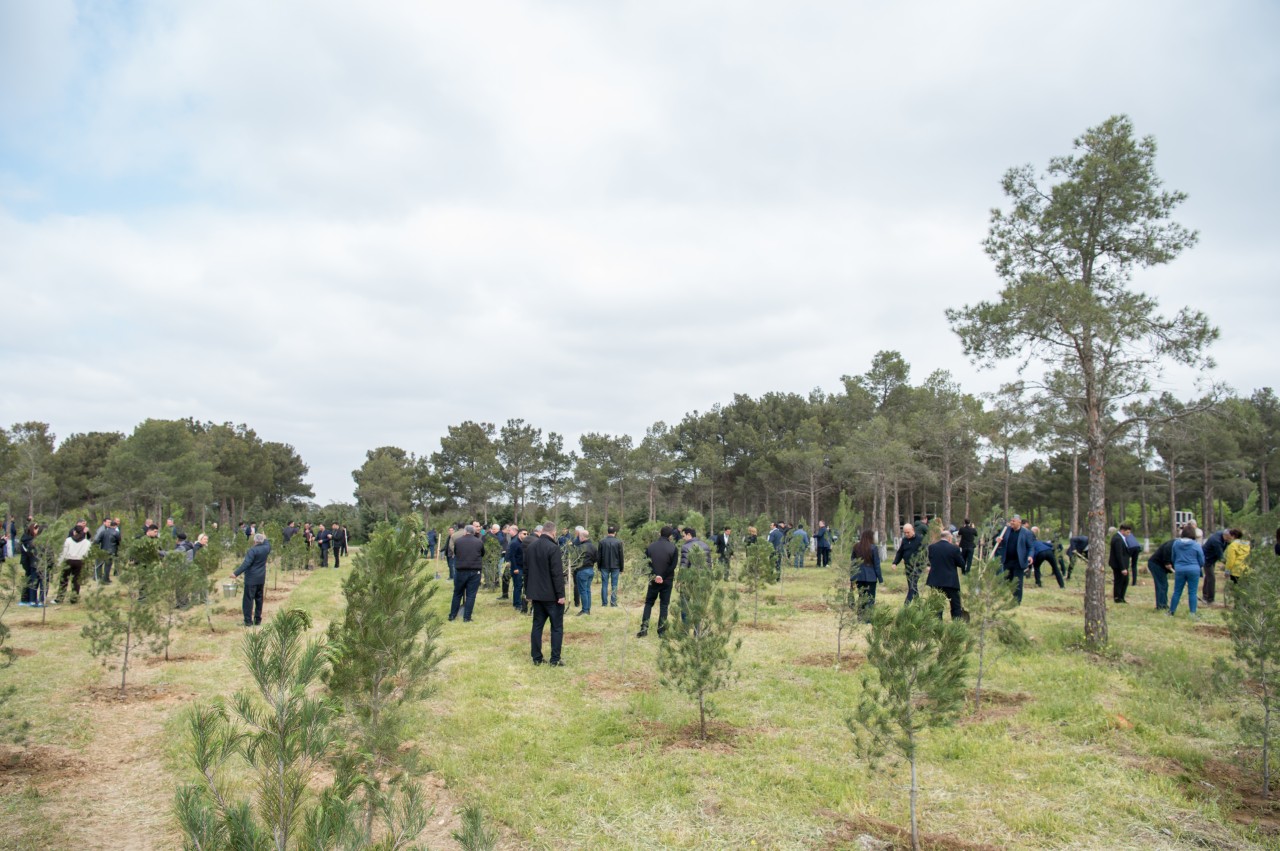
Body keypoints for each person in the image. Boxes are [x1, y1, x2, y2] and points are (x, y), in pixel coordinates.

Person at [525, 522, 566, 666]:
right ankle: (555, 659)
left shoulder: (531, 547)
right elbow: (557, 574)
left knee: (537, 626)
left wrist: (528, 592)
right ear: (554, 532)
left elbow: (527, 571)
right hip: (551, 596)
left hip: (536, 595)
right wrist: (561, 594)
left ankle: (536, 658)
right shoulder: (553, 548)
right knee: (556, 627)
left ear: (542, 531)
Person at [637, 526, 679, 637]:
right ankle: (661, 631)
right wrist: (662, 576)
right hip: (667, 581)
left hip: (653, 580)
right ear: (670, 536)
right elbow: (673, 566)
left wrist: (656, 575)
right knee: (664, 605)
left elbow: (646, 563)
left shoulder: (651, 547)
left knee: (649, 603)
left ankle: (644, 629)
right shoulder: (673, 548)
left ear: (660, 533)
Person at [925, 530, 967, 620]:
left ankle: (938, 625)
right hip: (950, 581)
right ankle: (956, 625)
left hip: (936, 581)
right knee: (955, 606)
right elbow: (962, 564)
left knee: (937, 606)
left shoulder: (932, 547)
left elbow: (931, 561)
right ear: (949, 538)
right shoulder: (954, 548)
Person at [231, 533, 271, 627]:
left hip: (251, 579)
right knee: (259, 599)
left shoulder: (252, 550)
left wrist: (235, 573)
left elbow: (246, 564)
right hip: (261, 578)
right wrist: (265, 538)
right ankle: (257, 620)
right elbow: (267, 543)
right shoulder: (266, 548)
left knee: (248, 600)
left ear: (255, 541)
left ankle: (248, 621)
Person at [993, 515, 1033, 604]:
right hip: (1007, 560)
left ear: (1019, 522)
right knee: (1008, 579)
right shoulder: (1006, 530)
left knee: (1017, 581)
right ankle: (1015, 596)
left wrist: (1030, 556)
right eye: (1011, 521)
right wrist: (997, 539)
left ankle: (1017, 601)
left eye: (1013, 521)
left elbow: (1030, 547)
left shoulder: (1026, 533)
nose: (1011, 522)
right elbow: (996, 539)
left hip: (1019, 561)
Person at [1168, 524, 1205, 617]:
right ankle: (1192, 613)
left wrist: (1177, 565)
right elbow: (1201, 559)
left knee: (1177, 591)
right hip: (1193, 569)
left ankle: (1171, 611)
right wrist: (1198, 566)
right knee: (1192, 592)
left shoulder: (1176, 543)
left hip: (1180, 569)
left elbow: (1173, 557)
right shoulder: (1196, 545)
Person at [449, 523, 484, 623]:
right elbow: (482, 553)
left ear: (465, 531)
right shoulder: (478, 542)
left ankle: (452, 615)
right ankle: (467, 617)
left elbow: (455, 552)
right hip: (474, 571)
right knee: (471, 595)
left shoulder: (458, 541)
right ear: (473, 532)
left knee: (457, 593)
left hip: (461, 570)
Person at [850, 529, 882, 621]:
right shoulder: (873, 548)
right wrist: (880, 578)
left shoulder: (856, 547)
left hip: (859, 575)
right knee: (871, 597)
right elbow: (876, 564)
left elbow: (853, 563)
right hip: (871, 576)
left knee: (861, 596)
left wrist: (852, 577)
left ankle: (860, 617)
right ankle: (869, 618)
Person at [56, 525, 91, 604]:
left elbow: (64, 552)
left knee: (64, 580)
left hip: (69, 560)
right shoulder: (87, 542)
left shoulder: (68, 540)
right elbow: (87, 553)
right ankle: (74, 599)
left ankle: (60, 598)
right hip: (80, 561)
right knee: (76, 581)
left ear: (74, 532)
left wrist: (59, 562)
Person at [892, 522, 924, 603]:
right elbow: (900, 552)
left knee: (912, 585)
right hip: (908, 566)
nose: (906, 534)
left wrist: (928, 565)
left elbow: (925, 552)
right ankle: (918, 605)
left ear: (912, 530)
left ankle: (906, 605)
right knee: (912, 585)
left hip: (918, 566)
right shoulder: (904, 540)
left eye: (908, 532)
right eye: (905, 532)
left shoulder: (920, 539)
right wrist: (895, 563)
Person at [571, 526, 598, 616]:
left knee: (583, 591)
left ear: (581, 537)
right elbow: (596, 558)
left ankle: (585, 610)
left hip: (582, 571)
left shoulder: (581, 547)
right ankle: (587, 609)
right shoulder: (593, 547)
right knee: (587, 590)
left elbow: (575, 560)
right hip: (590, 570)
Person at [598, 525, 624, 607]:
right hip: (615, 566)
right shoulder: (618, 542)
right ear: (615, 533)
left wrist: (599, 566)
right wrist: (621, 568)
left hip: (604, 566)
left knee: (604, 584)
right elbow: (621, 556)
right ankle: (613, 603)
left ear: (607, 532)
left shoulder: (602, 542)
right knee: (614, 585)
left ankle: (604, 603)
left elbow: (599, 556)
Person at [1146, 538, 1175, 611]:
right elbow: (1167, 548)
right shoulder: (1174, 543)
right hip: (1156, 564)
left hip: (1161, 565)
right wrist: (1167, 562)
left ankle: (1163, 604)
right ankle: (1161, 606)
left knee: (1164, 584)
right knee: (1161, 584)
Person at [1201, 528, 1227, 606]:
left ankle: (1205, 595)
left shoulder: (1222, 535)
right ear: (1225, 535)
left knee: (1208, 577)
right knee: (1211, 578)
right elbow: (1221, 557)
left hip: (1212, 559)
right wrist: (1229, 564)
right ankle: (1210, 599)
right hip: (1207, 559)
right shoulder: (1216, 541)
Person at [93, 517, 122, 584]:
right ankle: (106, 578)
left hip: (103, 550)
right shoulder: (116, 533)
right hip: (112, 551)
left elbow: (97, 540)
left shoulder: (103, 532)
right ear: (115, 526)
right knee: (108, 565)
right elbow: (119, 541)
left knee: (99, 564)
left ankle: (97, 577)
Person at [1108, 524, 1132, 604]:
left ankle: (1121, 597)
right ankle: (1118, 598)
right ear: (1122, 531)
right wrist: (1122, 568)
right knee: (1119, 581)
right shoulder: (1118, 539)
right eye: (1127, 532)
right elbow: (1119, 554)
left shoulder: (1121, 538)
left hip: (1122, 564)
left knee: (1125, 581)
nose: (1129, 534)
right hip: (1118, 565)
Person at [19, 523, 42, 607]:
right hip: (27, 562)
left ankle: (27, 597)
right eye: (36, 529)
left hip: (30, 561)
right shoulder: (27, 540)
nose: (38, 531)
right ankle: (25, 598)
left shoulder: (29, 538)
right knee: (29, 579)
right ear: (33, 529)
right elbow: (28, 552)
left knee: (29, 579)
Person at [507, 528, 528, 611]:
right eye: (524, 534)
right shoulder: (515, 543)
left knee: (521, 586)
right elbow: (512, 556)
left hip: (523, 567)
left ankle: (520, 602)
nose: (526, 535)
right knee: (518, 586)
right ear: (519, 534)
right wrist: (515, 568)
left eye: (527, 534)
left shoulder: (524, 543)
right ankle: (517, 604)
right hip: (517, 568)